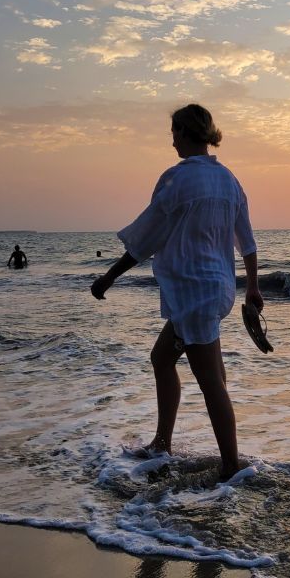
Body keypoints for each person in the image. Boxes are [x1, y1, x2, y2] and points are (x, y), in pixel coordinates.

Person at [90, 104, 262, 481]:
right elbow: (246, 240)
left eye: (174, 132)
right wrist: (251, 286)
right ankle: (162, 443)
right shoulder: (229, 180)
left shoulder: (176, 179)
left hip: (193, 290)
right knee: (162, 358)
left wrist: (109, 277)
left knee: (211, 380)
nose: (172, 141)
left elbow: (146, 239)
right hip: (216, 289)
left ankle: (231, 466)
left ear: (185, 131)